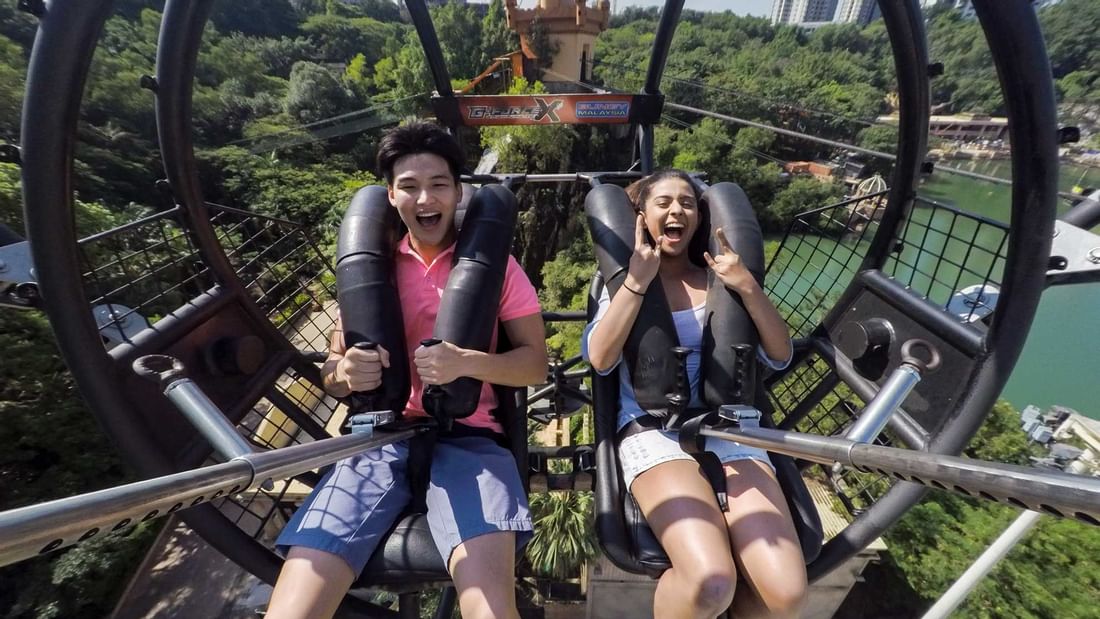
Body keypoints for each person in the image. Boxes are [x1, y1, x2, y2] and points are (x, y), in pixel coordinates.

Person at [266, 122, 547, 619]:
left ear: (458, 192)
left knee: (492, 611)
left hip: (470, 439)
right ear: (392, 195)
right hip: (380, 438)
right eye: (410, 187)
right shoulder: (372, 271)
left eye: (439, 184)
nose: (425, 199)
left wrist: (467, 363)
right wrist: (346, 371)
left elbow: (533, 364)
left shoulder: (497, 269)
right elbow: (334, 373)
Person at [583, 170, 807, 619]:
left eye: (687, 203)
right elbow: (601, 359)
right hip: (655, 430)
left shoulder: (722, 278)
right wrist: (635, 282)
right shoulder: (623, 284)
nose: (676, 211)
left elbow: (780, 355)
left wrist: (747, 286)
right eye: (663, 202)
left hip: (732, 426)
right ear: (642, 215)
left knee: (786, 595)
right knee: (711, 582)